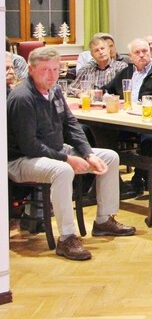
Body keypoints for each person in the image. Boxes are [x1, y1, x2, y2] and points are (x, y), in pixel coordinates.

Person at [7, 47, 136, 261]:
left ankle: (104, 220)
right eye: (45, 70)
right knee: (63, 170)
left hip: (55, 150)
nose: (51, 75)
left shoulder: (55, 90)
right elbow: (29, 145)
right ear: (30, 70)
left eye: (55, 69)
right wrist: (68, 159)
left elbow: (71, 124)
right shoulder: (22, 98)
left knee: (109, 157)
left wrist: (87, 154)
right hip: (21, 159)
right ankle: (66, 237)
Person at [104, 38, 152, 193]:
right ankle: (109, 183)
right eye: (137, 52)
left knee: (151, 140)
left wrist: (144, 103)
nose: (142, 55)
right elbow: (109, 89)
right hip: (124, 120)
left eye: (145, 51)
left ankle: (139, 178)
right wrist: (106, 96)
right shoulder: (126, 71)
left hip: (147, 120)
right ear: (130, 56)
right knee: (98, 133)